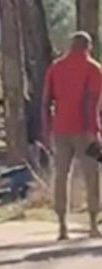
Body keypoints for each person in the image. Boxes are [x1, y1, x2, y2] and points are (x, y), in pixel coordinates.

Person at [41, 31, 102, 240]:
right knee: (92, 175)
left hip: (60, 129)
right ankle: (93, 224)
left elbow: (46, 101)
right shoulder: (94, 69)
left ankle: (62, 226)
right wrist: (92, 131)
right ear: (88, 46)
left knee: (61, 176)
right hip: (86, 131)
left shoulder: (56, 67)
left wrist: (46, 128)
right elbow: (90, 101)